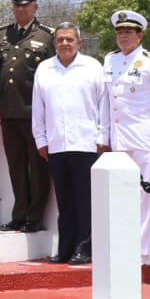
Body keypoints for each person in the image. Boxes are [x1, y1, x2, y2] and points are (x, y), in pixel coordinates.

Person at [30, 22, 110, 265]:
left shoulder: (92, 67)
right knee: (64, 201)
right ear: (54, 43)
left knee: (84, 200)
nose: (64, 43)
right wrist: (41, 140)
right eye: (60, 40)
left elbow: (103, 105)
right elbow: (38, 108)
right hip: (56, 144)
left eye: (69, 40)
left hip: (86, 144)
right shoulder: (45, 68)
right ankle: (65, 248)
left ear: (79, 43)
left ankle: (84, 249)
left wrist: (102, 138)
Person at [103, 9, 150, 263]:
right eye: (119, 32)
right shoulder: (110, 61)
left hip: (144, 139)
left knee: (144, 197)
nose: (123, 36)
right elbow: (107, 102)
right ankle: (123, 247)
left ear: (140, 35)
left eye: (128, 32)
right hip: (118, 140)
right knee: (120, 196)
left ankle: (144, 252)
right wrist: (105, 136)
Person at [0, 0, 55, 232]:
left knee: (37, 168)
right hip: (8, 112)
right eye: (16, 4)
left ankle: (34, 217)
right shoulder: (2, 34)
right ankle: (19, 214)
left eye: (25, 4)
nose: (20, 8)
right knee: (16, 165)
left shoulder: (47, 36)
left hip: (34, 113)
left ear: (35, 6)